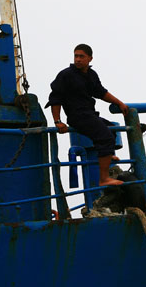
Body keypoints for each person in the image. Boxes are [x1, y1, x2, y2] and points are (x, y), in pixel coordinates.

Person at [47, 44, 129, 186]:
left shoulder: (91, 75)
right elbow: (55, 98)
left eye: (81, 56)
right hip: (77, 116)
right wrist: (58, 121)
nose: (78, 59)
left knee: (111, 129)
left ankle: (107, 156)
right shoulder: (66, 75)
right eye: (76, 56)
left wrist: (120, 103)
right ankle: (104, 179)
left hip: (90, 114)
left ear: (90, 58)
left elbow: (101, 92)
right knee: (105, 137)